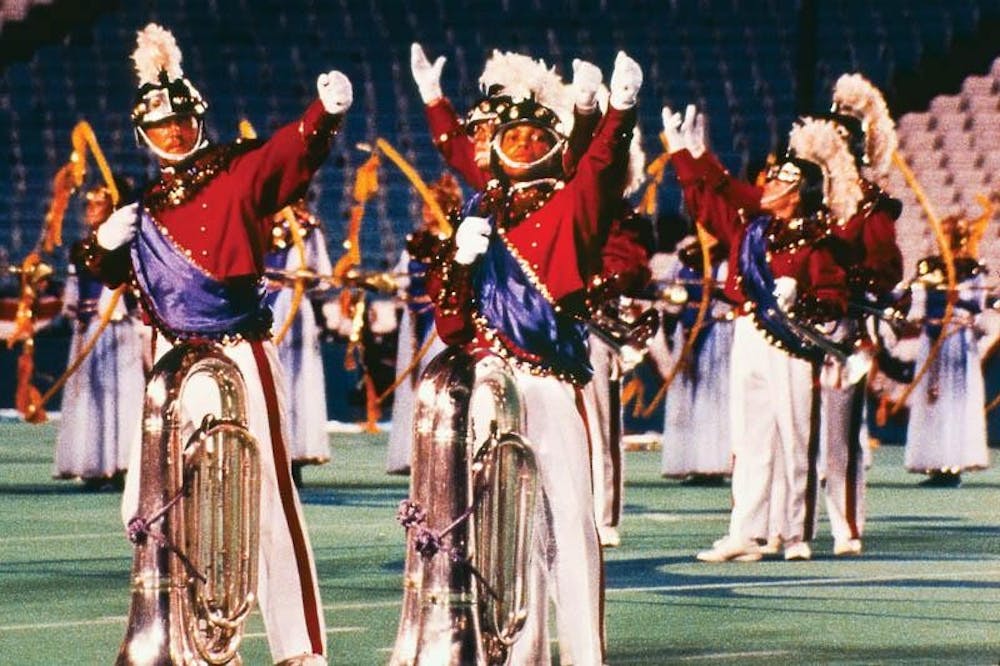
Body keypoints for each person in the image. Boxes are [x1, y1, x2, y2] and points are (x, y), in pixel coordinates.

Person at [81, 23, 352, 665]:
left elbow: (288, 157)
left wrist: (323, 117)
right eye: (159, 127)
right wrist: (103, 243)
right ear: (146, 137)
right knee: (164, 504)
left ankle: (300, 650)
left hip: (237, 349)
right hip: (172, 361)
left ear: (197, 118)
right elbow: (103, 267)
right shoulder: (143, 204)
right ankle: (198, 641)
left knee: (267, 503)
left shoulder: (235, 167)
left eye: (180, 121)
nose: (172, 133)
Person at [425, 51, 643, 666]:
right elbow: (450, 325)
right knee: (503, 533)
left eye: (534, 136)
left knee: (570, 528)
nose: (521, 144)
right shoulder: (478, 213)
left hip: (551, 387)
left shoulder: (574, 203)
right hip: (492, 389)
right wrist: (459, 263)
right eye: (510, 136)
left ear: (552, 144)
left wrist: (616, 111)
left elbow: (600, 166)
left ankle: (583, 655)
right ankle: (519, 653)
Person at [665, 106, 858, 563]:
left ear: (798, 192)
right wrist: (685, 156)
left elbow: (835, 296)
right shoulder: (752, 231)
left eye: (778, 182)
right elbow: (706, 204)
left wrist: (804, 297)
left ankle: (795, 534)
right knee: (748, 440)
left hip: (792, 345)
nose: (767, 186)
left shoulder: (818, 241)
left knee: (796, 438)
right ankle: (745, 532)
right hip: (749, 333)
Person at [813, 73, 904, 555]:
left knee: (841, 435)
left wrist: (853, 283)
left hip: (842, 325)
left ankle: (846, 524)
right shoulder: (804, 200)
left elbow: (887, 267)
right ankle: (788, 527)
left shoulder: (870, 207)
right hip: (792, 325)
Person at [54, 186, 145, 489]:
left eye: (99, 204)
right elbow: (75, 285)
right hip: (89, 327)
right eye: (88, 204)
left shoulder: (124, 243)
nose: (91, 209)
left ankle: (122, 463)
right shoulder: (79, 247)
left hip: (117, 327)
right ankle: (91, 463)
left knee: (122, 393)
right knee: (90, 395)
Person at [903, 212, 991, 487]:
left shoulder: (973, 269)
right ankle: (932, 461)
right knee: (931, 399)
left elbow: (978, 306)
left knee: (954, 400)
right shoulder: (928, 267)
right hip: (933, 339)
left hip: (957, 340)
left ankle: (953, 462)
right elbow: (915, 306)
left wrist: (961, 309)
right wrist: (924, 317)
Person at [384, 173, 458, 474]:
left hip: (438, 322)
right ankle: (410, 452)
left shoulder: (453, 241)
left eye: (434, 205)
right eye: (426, 206)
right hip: (413, 322)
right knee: (412, 383)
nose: (427, 211)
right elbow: (402, 277)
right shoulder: (415, 242)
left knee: (438, 381)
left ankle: (442, 449)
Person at [264, 198, 334, 487]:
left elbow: (324, 279)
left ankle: (293, 456)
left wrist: (304, 278)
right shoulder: (255, 219)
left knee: (293, 380)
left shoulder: (306, 227)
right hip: (257, 306)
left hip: (290, 307)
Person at [658, 234, 734, 483]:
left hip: (719, 333)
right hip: (688, 331)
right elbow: (671, 296)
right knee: (690, 394)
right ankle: (691, 460)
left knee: (716, 397)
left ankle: (716, 461)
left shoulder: (728, 262)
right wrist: (673, 331)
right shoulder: (685, 260)